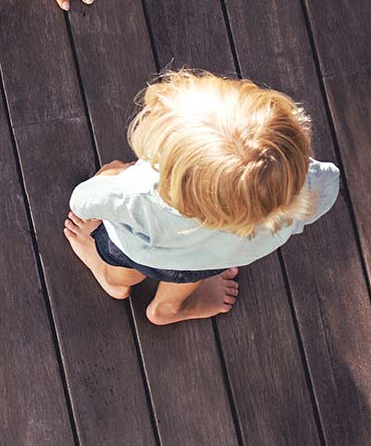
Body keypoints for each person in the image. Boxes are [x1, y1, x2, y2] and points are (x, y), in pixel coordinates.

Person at [63, 70, 341, 325]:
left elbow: (82, 201)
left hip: (137, 248)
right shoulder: (299, 189)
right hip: (209, 259)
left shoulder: (139, 193)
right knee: (188, 271)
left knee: (124, 262)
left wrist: (114, 174)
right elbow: (327, 187)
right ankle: (166, 308)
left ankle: (114, 282)